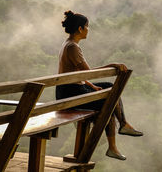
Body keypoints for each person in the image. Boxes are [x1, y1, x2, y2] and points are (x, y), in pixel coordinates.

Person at [56, 10, 143, 161]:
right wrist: (112, 65)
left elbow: (78, 73)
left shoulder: (69, 44)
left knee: (109, 87)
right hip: (70, 92)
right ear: (80, 29)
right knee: (108, 102)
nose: (88, 29)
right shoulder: (73, 47)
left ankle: (119, 132)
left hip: (72, 88)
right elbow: (88, 72)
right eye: (87, 26)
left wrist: (92, 86)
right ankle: (118, 134)